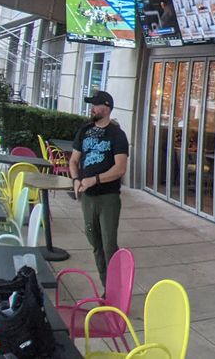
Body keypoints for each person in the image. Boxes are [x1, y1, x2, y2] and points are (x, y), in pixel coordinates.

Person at [70, 91, 130, 287]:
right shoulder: (85, 130)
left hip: (108, 197)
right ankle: (107, 285)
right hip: (87, 197)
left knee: (109, 245)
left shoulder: (117, 135)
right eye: (91, 105)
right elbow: (74, 160)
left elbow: (120, 168)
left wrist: (95, 179)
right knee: (95, 243)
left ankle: (116, 288)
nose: (92, 108)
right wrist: (76, 179)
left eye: (95, 105)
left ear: (106, 108)